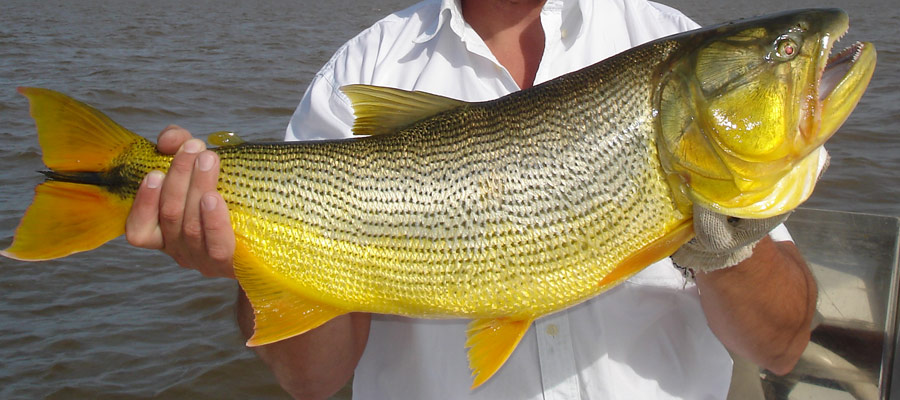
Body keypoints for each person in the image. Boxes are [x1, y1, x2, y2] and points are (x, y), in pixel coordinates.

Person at [124, 0, 818, 398]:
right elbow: (316, 379)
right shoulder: (362, 66)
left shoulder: (659, 35)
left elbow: (782, 347)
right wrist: (251, 257)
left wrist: (733, 246)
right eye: (781, 56)